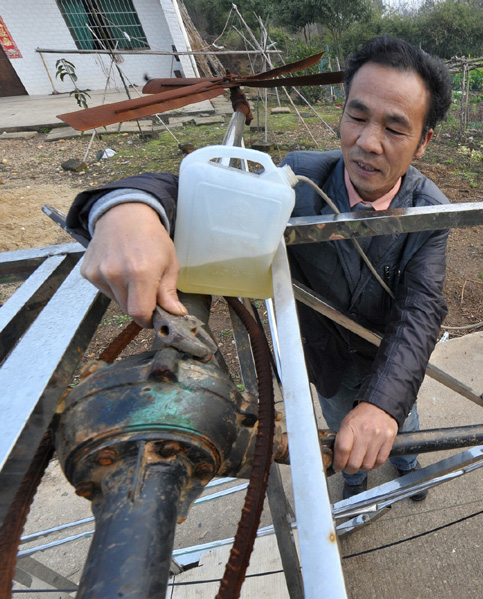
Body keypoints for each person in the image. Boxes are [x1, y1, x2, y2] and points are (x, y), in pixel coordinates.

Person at [66, 36, 453, 501]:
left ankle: (407, 464)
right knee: (339, 424)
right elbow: (208, 187)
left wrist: (383, 405)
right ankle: (353, 480)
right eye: (357, 116)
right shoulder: (300, 177)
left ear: (424, 141)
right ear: (342, 113)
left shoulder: (431, 211)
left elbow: (421, 308)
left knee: (399, 424)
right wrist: (131, 208)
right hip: (326, 358)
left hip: (386, 357)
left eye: (394, 128)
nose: (368, 142)